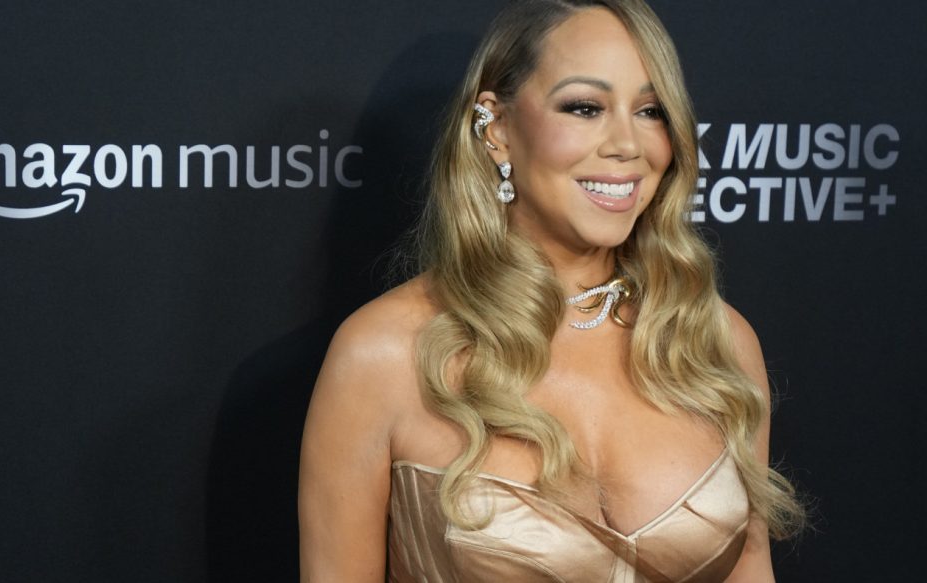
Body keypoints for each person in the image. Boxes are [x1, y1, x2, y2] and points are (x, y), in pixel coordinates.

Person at [298, 0, 804, 581]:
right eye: (585, 107)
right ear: (496, 128)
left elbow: (751, 569)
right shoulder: (383, 355)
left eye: (651, 111)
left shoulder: (714, 341)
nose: (628, 144)